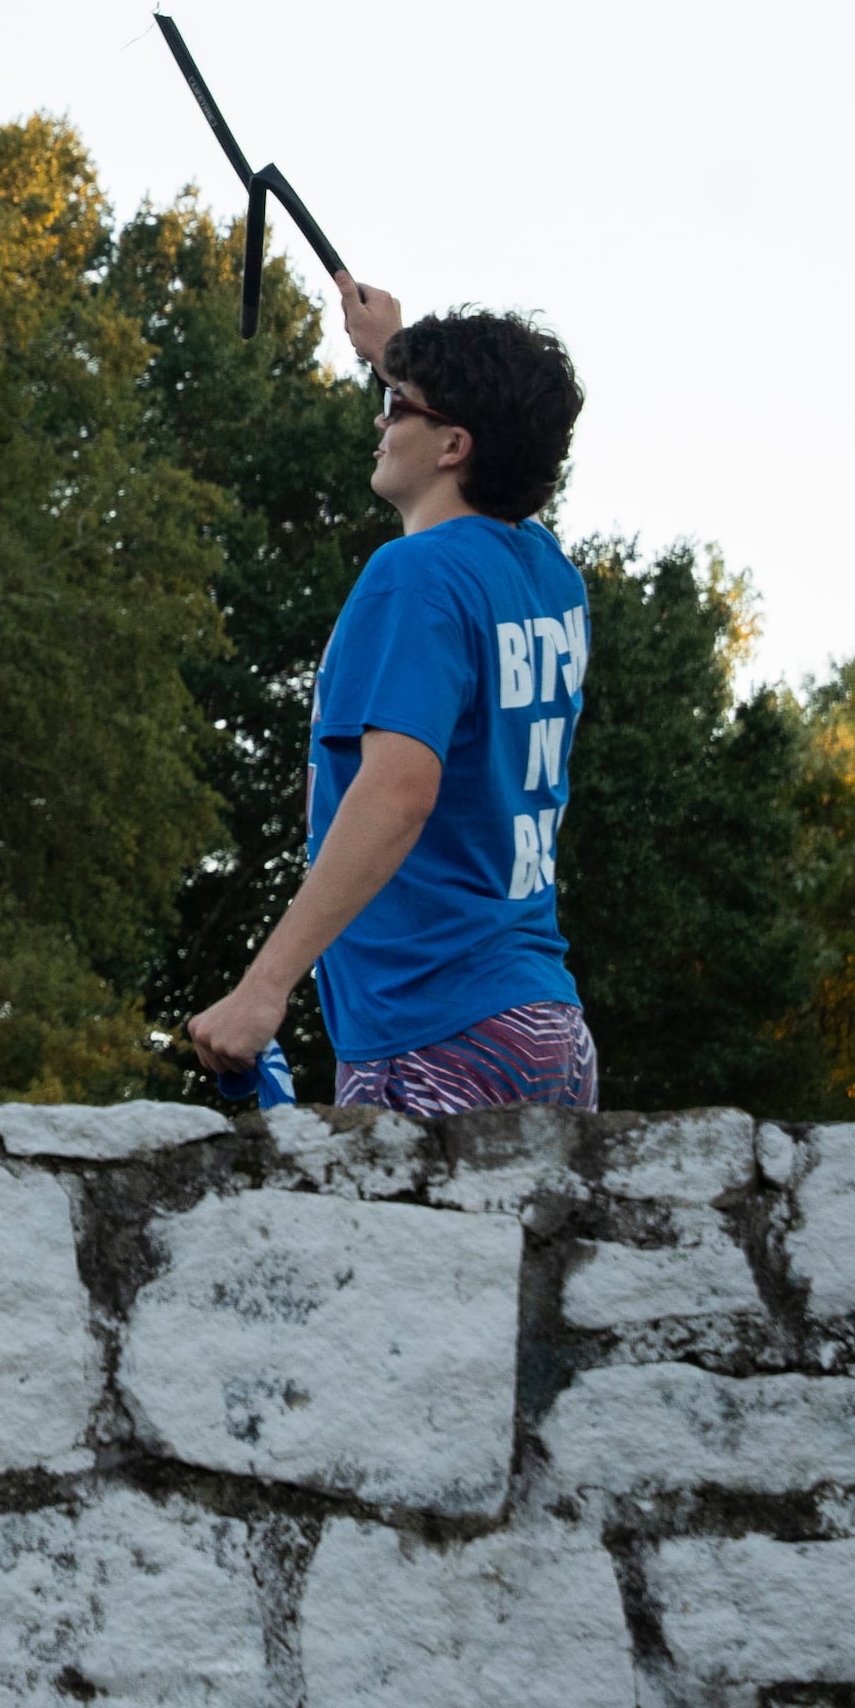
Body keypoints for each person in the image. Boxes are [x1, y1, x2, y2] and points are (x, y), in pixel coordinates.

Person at [186, 280, 596, 1112]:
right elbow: (502, 450)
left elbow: (399, 791)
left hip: (434, 1035)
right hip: (542, 1028)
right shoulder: (547, 574)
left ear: (452, 446)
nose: (380, 418)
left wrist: (264, 989)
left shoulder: (414, 577)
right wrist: (393, 354)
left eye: (397, 407)